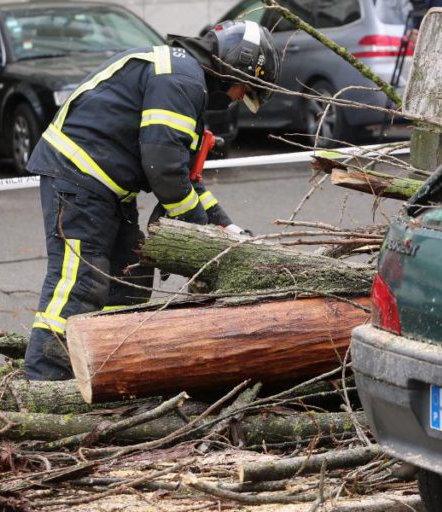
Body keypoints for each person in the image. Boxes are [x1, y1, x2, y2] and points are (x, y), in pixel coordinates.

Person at [24, 20, 281, 381]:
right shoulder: (181, 78)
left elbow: (187, 182)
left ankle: (105, 370)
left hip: (108, 189)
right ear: (235, 67)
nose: (240, 98)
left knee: (130, 277)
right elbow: (163, 169)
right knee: (81, 280)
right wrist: (199, 232)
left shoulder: (186, 80)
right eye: (246, 88)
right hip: (79, 178)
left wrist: (229, 230)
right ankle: (45, 381)